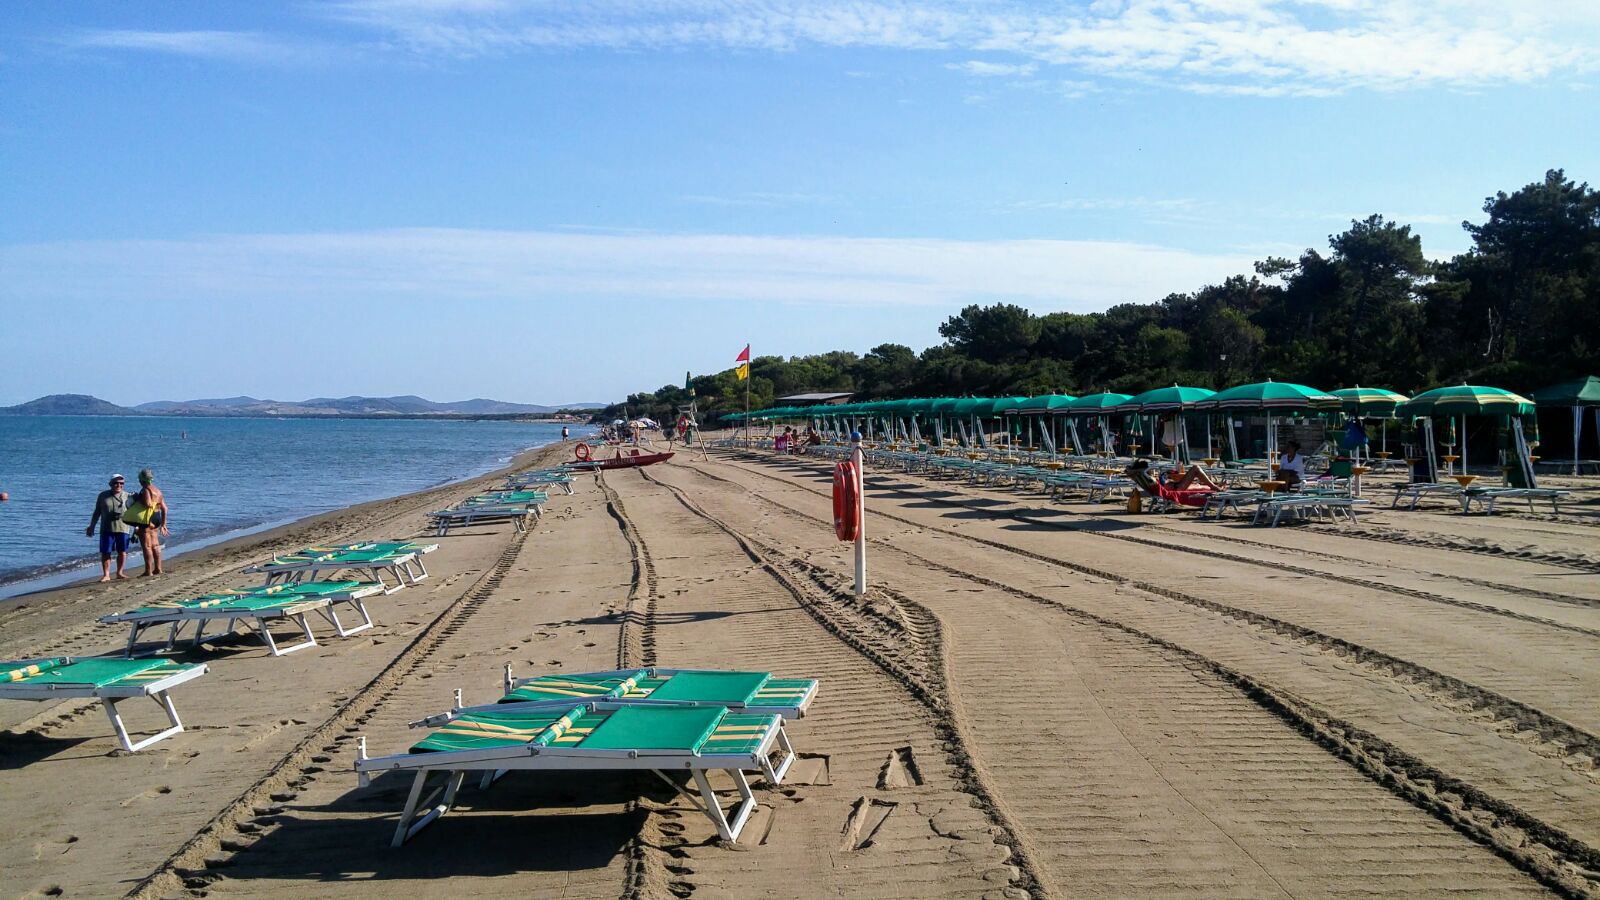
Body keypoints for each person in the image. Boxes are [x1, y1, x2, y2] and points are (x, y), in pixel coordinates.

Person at [86, 473, 132, 582]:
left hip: (123, 527)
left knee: (122, 551)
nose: (119, 485)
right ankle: (106, 574)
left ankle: (119, 572)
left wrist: (137, 527)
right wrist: (91, 526)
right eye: (116, 483)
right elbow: (97, 512)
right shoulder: (103, 495)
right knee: (106, 552)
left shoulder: (128, 496)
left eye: (121, 483)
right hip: (106, 528)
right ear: (110, 484)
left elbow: (133, 513)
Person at [133, 468, 171, 576]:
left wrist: (137, 499)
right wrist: (163, 524)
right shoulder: (157, 490)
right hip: (157, 517)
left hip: (148, 518)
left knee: (147, 546)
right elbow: (165, 508)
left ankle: (148, 571)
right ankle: (158, 568)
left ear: (141, 480)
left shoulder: (145, 490)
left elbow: (148, 504)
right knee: (155, 545)